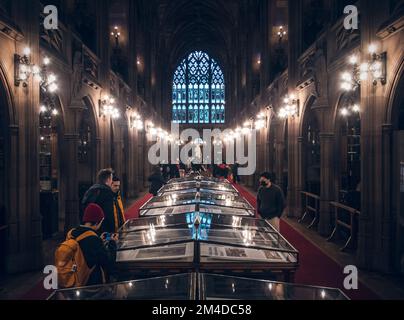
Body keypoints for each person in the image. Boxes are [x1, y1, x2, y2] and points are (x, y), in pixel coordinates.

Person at [56, 203, 117, 288]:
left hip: (74, 278)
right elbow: (108, 263)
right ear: (97, 222)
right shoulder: (94, 240)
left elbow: (84, 248)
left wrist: (99, 239)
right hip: (89, 285)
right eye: (101, 221)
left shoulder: (72, 232)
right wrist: (113, 244)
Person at [81, 168, 115, 233]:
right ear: (108, 180)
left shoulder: (91, 189)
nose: (112, 181)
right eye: (111, 179)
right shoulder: (107, 192)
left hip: (90, 228)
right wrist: (112, 232)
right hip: (103, 229)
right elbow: (109, 215)